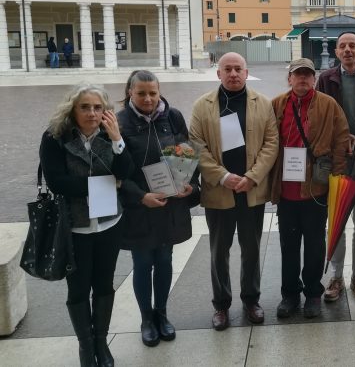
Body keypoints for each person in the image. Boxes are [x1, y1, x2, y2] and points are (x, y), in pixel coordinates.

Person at [40, 84, 133, 367]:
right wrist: (105, 183)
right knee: (78, 289)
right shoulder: (54, 137)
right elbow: (57, 182)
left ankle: (101, 342)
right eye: (85, 107)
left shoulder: (111, 134)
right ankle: (85, 346)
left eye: (97, 107)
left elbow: (127, 172)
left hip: (109, 224)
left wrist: (117, 139)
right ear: (73, 109)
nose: (92, 113)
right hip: (75, 227)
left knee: (104, 284)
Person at [189, 52, 279, 329]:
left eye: (238, 68)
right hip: (219, 192)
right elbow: (196, 147)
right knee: (219, 251)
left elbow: (271, 144)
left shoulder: (262, 104)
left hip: (251, 191)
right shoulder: (202, 106)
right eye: (227, 69)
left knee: (251, 249)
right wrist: (223, 176)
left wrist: (252, 177)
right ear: (218, 73)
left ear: (246, 71)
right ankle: (221, 305)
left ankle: (251, 300)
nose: (233, 74)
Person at [117, 70, 200, 347]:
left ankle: (162, 314)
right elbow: (116, 172)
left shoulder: (173, 116)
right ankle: (146, 318)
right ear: (130, 92)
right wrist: (141, 196)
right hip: (140, 207)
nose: (148, 98)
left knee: (165, 261)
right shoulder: (120, 123)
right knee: (142, 264)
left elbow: (186, 152)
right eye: (141, 93)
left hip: (169, 205)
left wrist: (189, 183)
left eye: (152, 92)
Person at [270, 58, 350, 319]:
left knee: (315, 245)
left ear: (314, 78)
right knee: (288, 245)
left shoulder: (328, 105)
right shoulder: (277, 104)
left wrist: (336, 177)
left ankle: (313, 294)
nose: (302, 79)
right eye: (297, 74)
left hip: (316, 188)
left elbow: (341, 139)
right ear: (289, 78)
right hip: (286, 190)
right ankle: (290, 295)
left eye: (307, 74)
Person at [316, 31, 355, 303]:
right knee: (336, 221)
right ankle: (336, 276)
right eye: (343, 46)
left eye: (353, 45)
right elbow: (318, 118)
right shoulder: (326, 79)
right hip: (337, 161)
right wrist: (340, 141)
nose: (348, 50)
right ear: (337, 52)